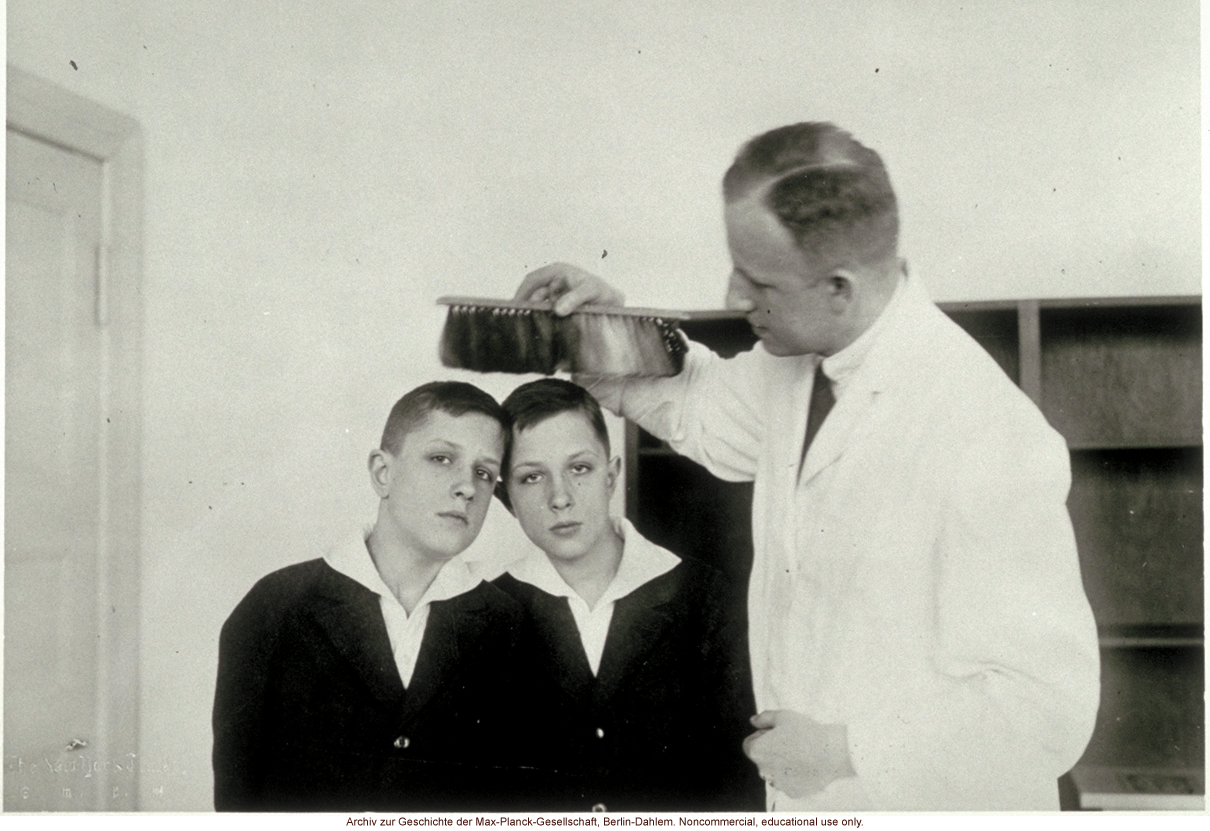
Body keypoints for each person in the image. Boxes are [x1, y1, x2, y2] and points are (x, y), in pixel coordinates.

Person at [513, 123, 1101, 811]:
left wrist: (844, 751)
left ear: (839, 289)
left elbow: (1045, 708)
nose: (734, 296)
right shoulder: (798, 367)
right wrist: (607, 332)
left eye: (758, 280)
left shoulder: (982, 434)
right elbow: (701, 409)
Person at [212, 381, 532, 811]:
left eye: (484, 473)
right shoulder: (277, 607)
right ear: (383, 473)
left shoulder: (511, 625)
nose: (467, 487)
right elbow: (238, 802)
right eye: (441, 458)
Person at [492, 377, 764, 811]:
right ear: (506, 496)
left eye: (579, 468)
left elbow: (740, 779)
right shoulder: (487, 613)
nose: (560, 497)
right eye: (531, 477)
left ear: (612, 475)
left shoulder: (702, 596)